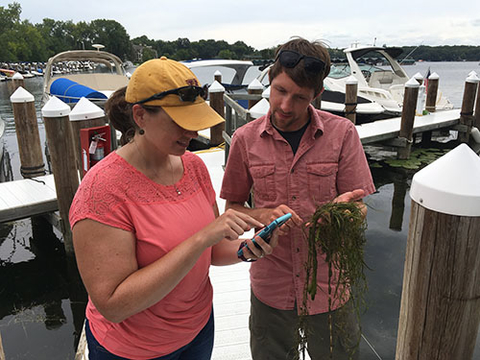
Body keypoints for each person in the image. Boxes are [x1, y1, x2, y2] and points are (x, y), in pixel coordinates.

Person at [69, 57, 277, 360]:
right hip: (134, 350)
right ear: (140, 115)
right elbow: (113, 305)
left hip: (198, 329)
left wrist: (247, 248)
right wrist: (201, 238)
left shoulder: (193, 167)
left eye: (195, 122)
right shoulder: (102, 190)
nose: (192, 133)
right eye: (180, 123)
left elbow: (212, 251)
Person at [220, 38, 376, 359]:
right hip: (270, 286)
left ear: (317, 96)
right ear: (269, 81)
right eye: (279, 90)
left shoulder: (343, 133)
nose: (285, 106)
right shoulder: (243, 140)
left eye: (300, 97)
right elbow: (233, 208)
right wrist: (263, 217)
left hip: (330, 286)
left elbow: (359, 206)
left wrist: (346, 212)